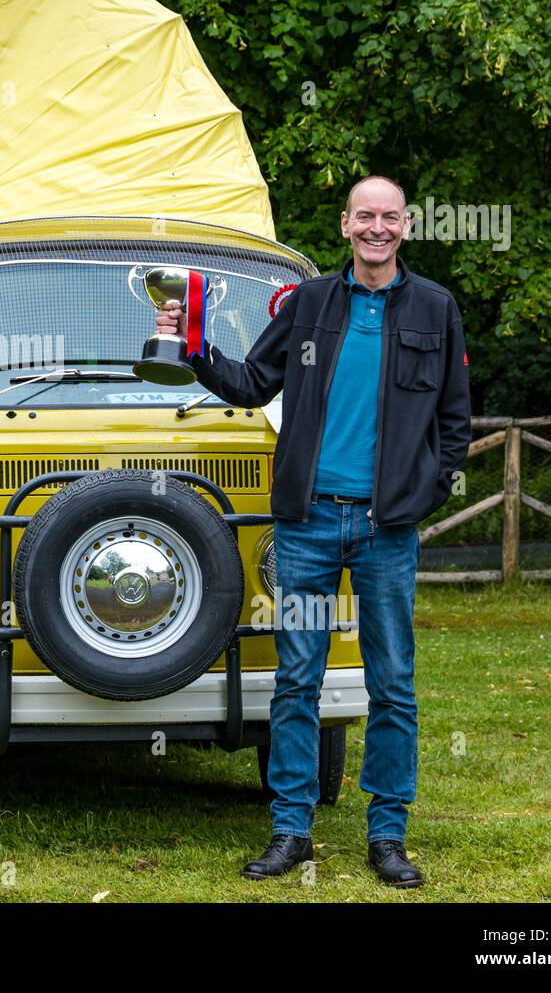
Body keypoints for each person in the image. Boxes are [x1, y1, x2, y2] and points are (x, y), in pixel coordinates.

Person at [154, 175, 471, 888]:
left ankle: (387, 833)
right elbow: (248, 382)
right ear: (344, 224)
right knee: (298, 677)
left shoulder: (435, 309)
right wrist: (193, 342)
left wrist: (423, 494)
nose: (377, 228)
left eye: (390, 217)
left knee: (393, 683)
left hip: (385, 530)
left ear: (408, 227)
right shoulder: (310, 304)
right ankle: (290, 829)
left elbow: (455, 422)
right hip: (307, 527)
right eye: (366, 216)